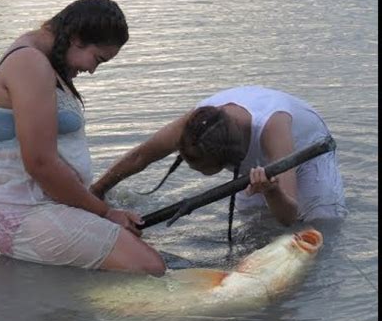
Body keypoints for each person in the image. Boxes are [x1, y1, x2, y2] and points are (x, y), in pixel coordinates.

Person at [0, 0, 165, 276]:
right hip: (25, 217)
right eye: (97, 59)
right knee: (150, 267)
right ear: (76, 38)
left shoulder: (38, 55)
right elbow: (40, 164)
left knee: (138, 244)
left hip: (45, 208)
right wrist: (104, 213)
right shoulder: (30, 63)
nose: (92, 70)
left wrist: (98, 211)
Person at [91, 85, 348, 238]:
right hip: (253, 154)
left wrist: (271, 191)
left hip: (309, 151)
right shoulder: (196, 123)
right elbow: (140, 156)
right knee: (257, 231)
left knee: (320, 226)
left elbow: (289, 216)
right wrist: (95, 193)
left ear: (230, 160)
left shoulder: (274, 128)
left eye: (203, 169)